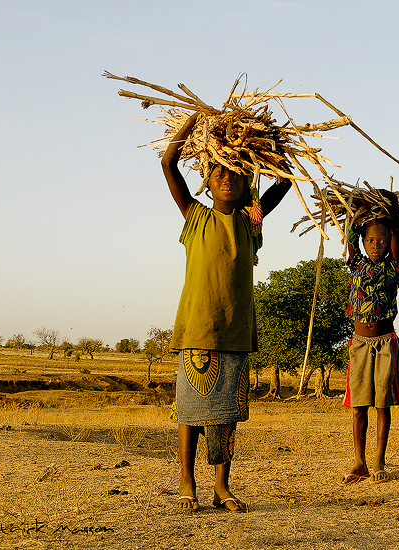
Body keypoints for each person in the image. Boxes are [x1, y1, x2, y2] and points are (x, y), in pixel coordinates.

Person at [162, 112, 292, 512]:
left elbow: (284, 180)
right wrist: (192, 128)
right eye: (219, 172)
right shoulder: (195, 215)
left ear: (247, 182)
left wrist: (266, 147)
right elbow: (168, 163)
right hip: (198, 329)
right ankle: (187, 478)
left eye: (236, 173)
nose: (227, 178)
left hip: (235, 331)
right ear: (207, 179)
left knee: (227, 415)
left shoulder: (251, 221)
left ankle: (221, 485)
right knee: (190, 411)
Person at [340, 190, 399, 486]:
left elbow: (397, 231)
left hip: (384, 344)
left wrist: (392, 206)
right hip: (359, 344)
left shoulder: (393, 267)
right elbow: (350, 233)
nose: (377, 245)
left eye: (381, 241)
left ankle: (379, 459)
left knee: (382, 404)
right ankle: (359, 462)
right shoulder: (355, 264)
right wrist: (357, 208)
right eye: (371, 241)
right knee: (359, 407)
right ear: (363, 243)